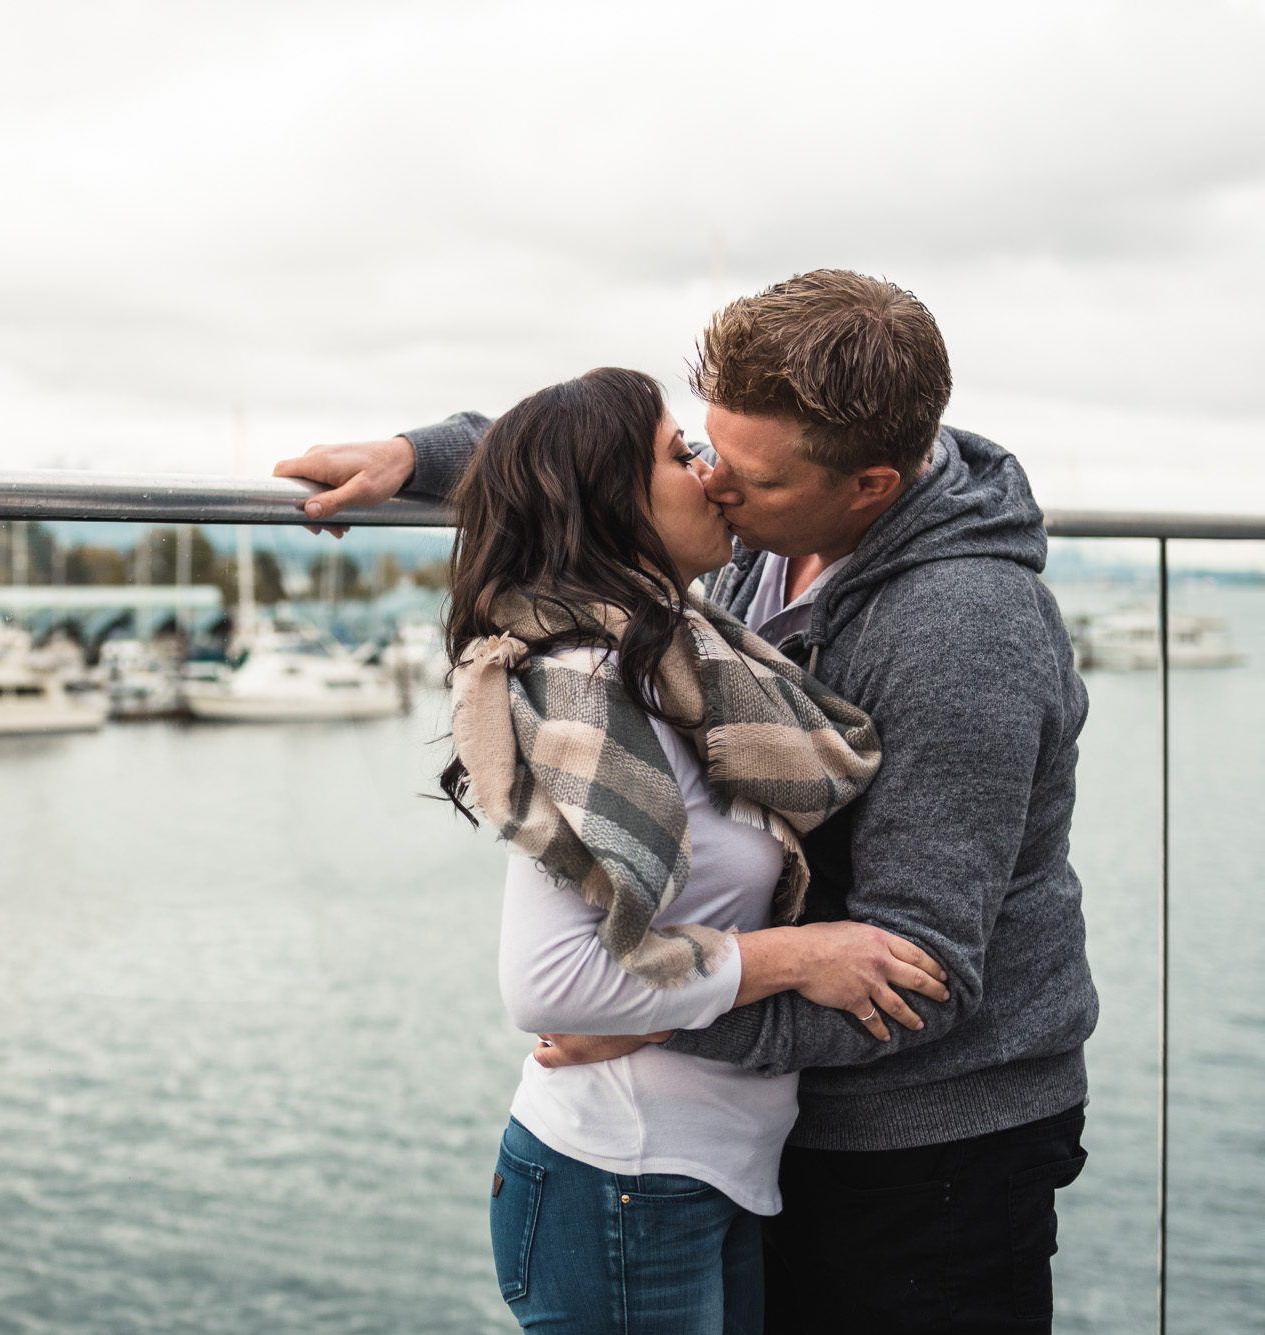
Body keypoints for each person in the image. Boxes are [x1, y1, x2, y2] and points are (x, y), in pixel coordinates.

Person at [277, 271, 1098, 1333]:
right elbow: (587, 467)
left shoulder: (962, 633)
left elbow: (917, 977)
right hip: (779, 1120)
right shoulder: (777, 526)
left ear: (868, 484)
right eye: (699, 453)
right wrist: (421, 457)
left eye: (741, 476)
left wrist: (654, 1028)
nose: (712, 487)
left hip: (925, 1145)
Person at [442, 364, 950, 1333]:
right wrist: (799, 956)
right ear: (609, 504)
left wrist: (407, 457)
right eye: (681, 454)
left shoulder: (686, 660)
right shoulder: (585, 690)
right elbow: (546, 985)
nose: (711, 473)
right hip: (622, 1178)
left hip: (692, 1171)